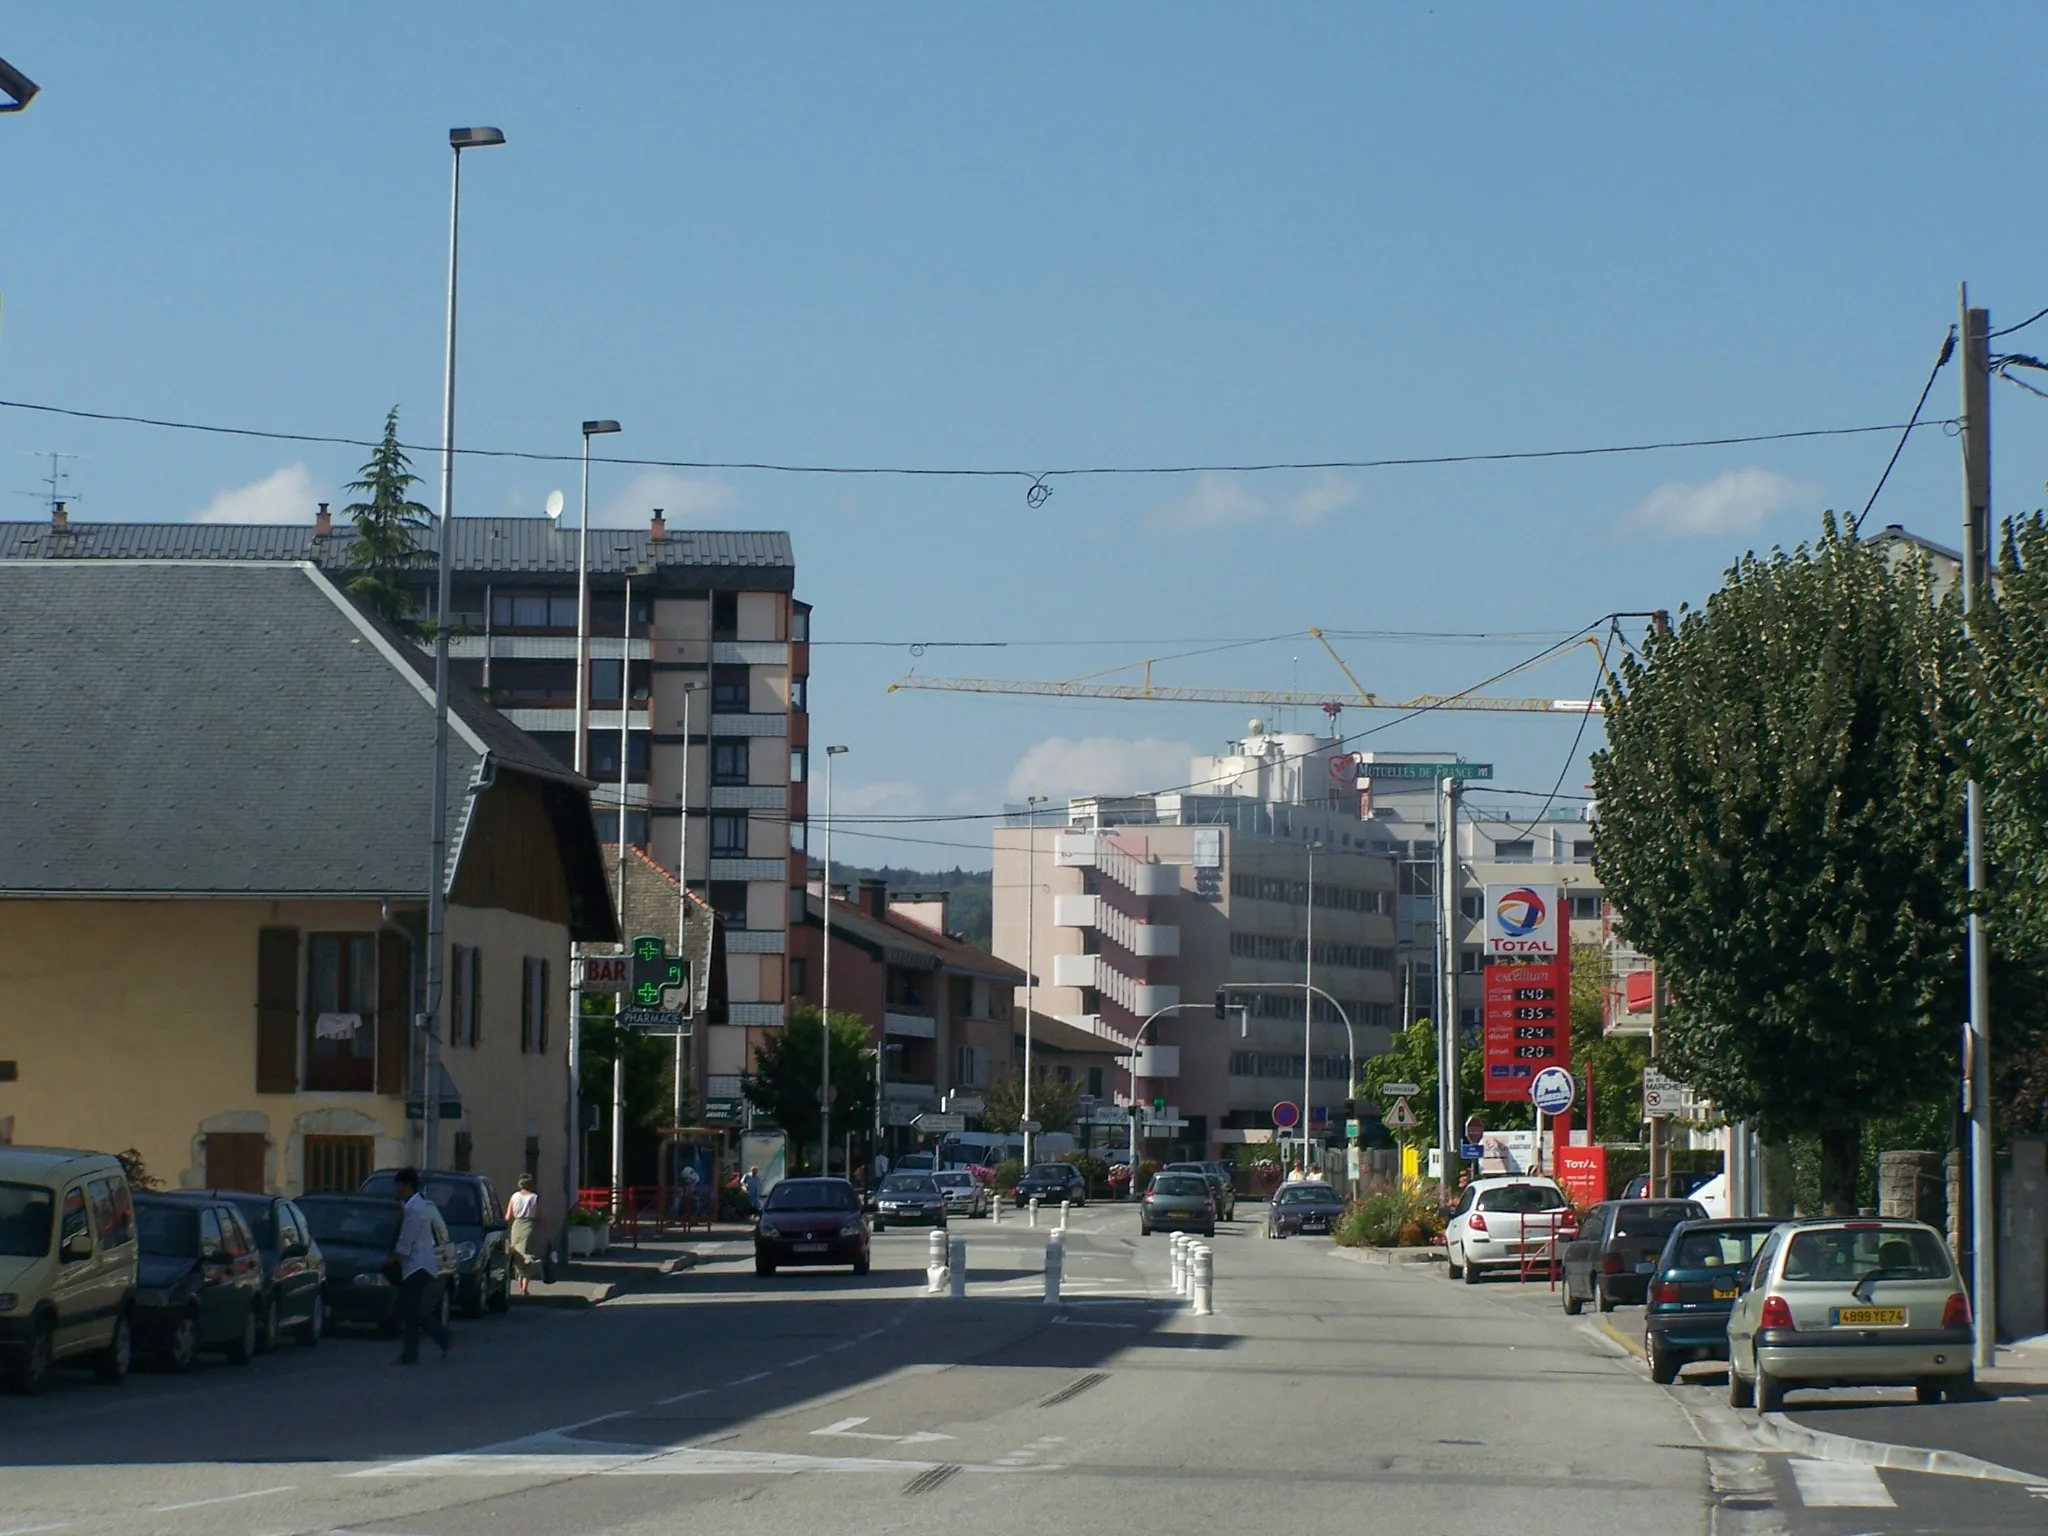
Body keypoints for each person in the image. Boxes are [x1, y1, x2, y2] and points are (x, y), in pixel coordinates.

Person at [391, 1167, 455, 1364]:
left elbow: (407, 1239)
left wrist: (394, 1258)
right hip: (420, 1264)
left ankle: (444, 1337)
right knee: (410, 1311)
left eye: (399, 1186)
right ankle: (410, 1354)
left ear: (407, 1185)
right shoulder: (416, 1205)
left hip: (417, 1265)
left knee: (412, 1311)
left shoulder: (414, 1208)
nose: (397, 1190)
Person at [506, 1173, 542, 1298]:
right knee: (528, 1256)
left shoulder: (514, 1196)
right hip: (529, 1226)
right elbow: (540, 1215)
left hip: (517, 1227)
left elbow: (508, 1216)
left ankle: (519, 1286)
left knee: (517, 1256)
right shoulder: (534, 1197)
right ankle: (524, 1288)